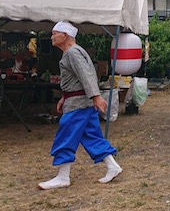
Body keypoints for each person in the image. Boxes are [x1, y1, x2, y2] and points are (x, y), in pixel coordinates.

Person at [38, 22, 122, 190]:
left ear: (65, 35)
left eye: (55, 33)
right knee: (91, 136)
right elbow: (77, 79)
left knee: (66, 135)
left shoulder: (72, 53)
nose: (52, 37)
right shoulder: (73, 52)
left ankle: (63, 177)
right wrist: (64, 97)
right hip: (79, 101)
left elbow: (86, 76)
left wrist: (96, 97)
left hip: (78, 104)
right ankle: (112, 166)